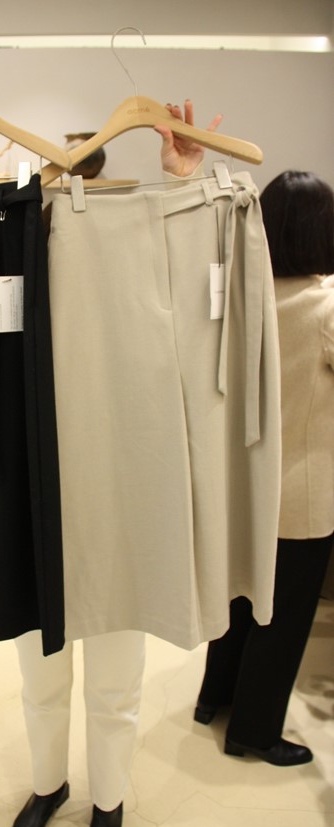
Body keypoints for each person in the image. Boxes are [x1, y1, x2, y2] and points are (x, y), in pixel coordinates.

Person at [0, 95, 221, 827]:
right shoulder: (8, 230)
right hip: (30, 476)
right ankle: (47, 783)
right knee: (39, 665)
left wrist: (183, 181)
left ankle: (110, 799)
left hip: (116, 472)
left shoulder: (131, 228)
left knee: (117, 668)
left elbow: (195, 276)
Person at [194, 170, 334, 766]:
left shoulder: (242, 295)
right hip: (303, 489)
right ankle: (253, 731)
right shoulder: (326, 304)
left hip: (242, 484)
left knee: (240, 596)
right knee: (285, 616)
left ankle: (215, 698)